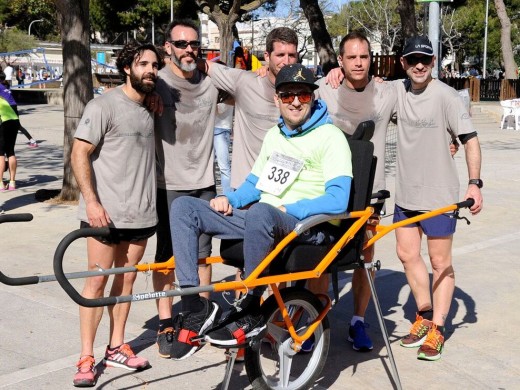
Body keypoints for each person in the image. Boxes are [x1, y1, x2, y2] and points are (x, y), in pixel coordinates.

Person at [167, 63, 353, 360]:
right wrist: (230, 199)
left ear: (313, 99)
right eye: (288, 94)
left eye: (303, 96)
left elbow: (338, 200)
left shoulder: (331, 137)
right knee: (184, 207)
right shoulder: (275, 136)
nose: (295, 101)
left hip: (305, 225)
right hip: (264, 219)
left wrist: (287, 207)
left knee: (262, 211)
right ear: (277, 99)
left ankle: (252, 306)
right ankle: (193, 306)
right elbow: (255, 184)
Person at [70, 42, 163, 387]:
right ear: (127, 67)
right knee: (96, 283)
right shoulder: (103, 105)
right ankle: (85, 355)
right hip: (104, 216)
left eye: (155, 65)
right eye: (143, 64)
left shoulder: (151, 104)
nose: (150, 70)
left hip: (141, 215)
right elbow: (79, 153)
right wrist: (91, 202)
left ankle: (116, 346)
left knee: (126, 282)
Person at [394, 35, 483, 361]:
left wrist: (474, 184)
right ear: (403, 63)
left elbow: (470, 141)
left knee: (440, 262)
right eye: (413, 59)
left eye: (426, 59)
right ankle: (424, 313)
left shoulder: (446, 97)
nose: (419, 65)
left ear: (433, 62)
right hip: (405, 195)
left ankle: (439, 328)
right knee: (406, 254)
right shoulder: (398, 92)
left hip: (439, 197)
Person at [317, 31, 398, 352]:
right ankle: (315, 324)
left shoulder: (387, 92)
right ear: (340, 61)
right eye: (351, 57)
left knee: (365, 256)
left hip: (370, 194)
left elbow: (422, 100)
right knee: (322, 258)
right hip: (330, 191)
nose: (358, 63)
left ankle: (358, 322)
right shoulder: (325, 89)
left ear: (371, 58)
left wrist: (453, 136)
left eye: (363, 57)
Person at [152, 18, 219, 359]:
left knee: (203, 256)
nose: (189, 49)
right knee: (167, 258)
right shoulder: (156, 82)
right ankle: (166, 324)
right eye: (181, 44)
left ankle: (198, 318)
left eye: (195, 44)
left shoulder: (211, 82)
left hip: (205, 183)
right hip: (168, 186)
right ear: (168, 47)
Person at [202, 27, 299, 189]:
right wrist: (169, 61)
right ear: (267, 56)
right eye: (280, 55)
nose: (286, 61)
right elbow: (205, 66)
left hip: (284, 192)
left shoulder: (306, 93)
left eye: (292, 55)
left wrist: (339, 72)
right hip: (245, 190)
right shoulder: (245, 82)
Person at [0, 72, 39, 147]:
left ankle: (32, 141)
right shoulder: (6, 85)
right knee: (16, 126)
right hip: (12, 105)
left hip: (8, 107)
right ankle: (32, 140)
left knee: (14, 126)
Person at [213, 87, 234, 194]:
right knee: (209, 166)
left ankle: (228, 195)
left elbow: (218, 110)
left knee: (224, 167)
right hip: (209, 129)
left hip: (222, 129)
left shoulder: (230, 91)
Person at [0, 97, 20, 190]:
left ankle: (0, 184)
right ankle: (12, 183)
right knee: (10, 151)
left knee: (0, 153)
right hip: (14, 121)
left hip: (3, 122)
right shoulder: (2, 99)